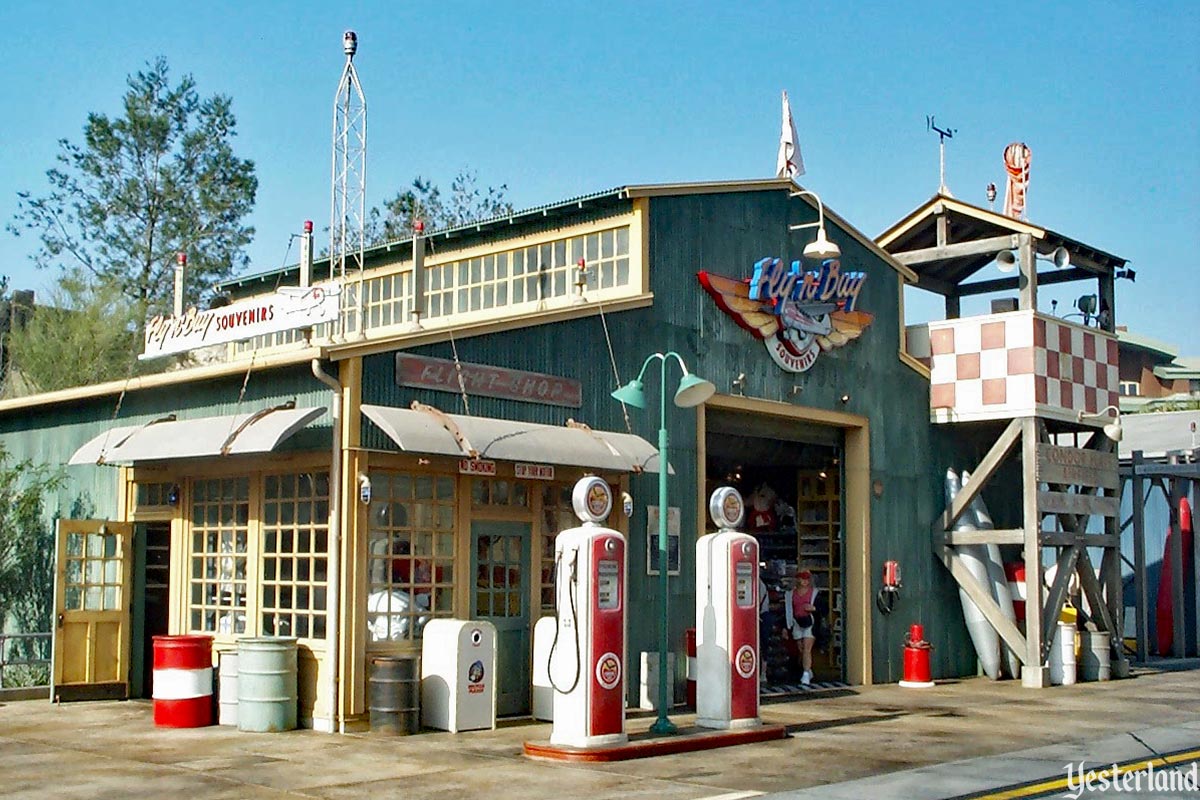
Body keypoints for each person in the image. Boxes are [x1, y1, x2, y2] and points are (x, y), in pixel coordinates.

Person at [784, 568, 820, 686]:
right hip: (796, 622)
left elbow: (823, 608)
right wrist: (786, 626)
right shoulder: (790, 594)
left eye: (806, 578)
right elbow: (788, 610)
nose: (804, 581)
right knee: (801, 648)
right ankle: (808, 670)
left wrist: (813, 608)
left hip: (810, 622)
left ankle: (805, 675)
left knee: (806, 649)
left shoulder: (815, 593)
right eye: (802, 578)